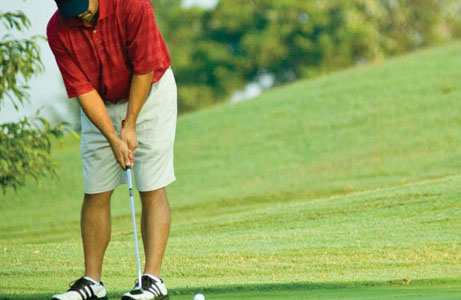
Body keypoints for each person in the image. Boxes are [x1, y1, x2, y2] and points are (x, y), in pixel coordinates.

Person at [47, 0, 176, 299]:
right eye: (70, 7)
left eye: (82, 3)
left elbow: (144, 67)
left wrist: (129, 125)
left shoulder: (133, 6)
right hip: (100, 103)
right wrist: (112, 136)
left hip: (150, 92)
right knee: (95, 190)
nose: (79, 13)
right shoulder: (57, 29)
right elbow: (82, 89)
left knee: (151, 184)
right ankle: (92, 283)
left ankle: (152, 280)